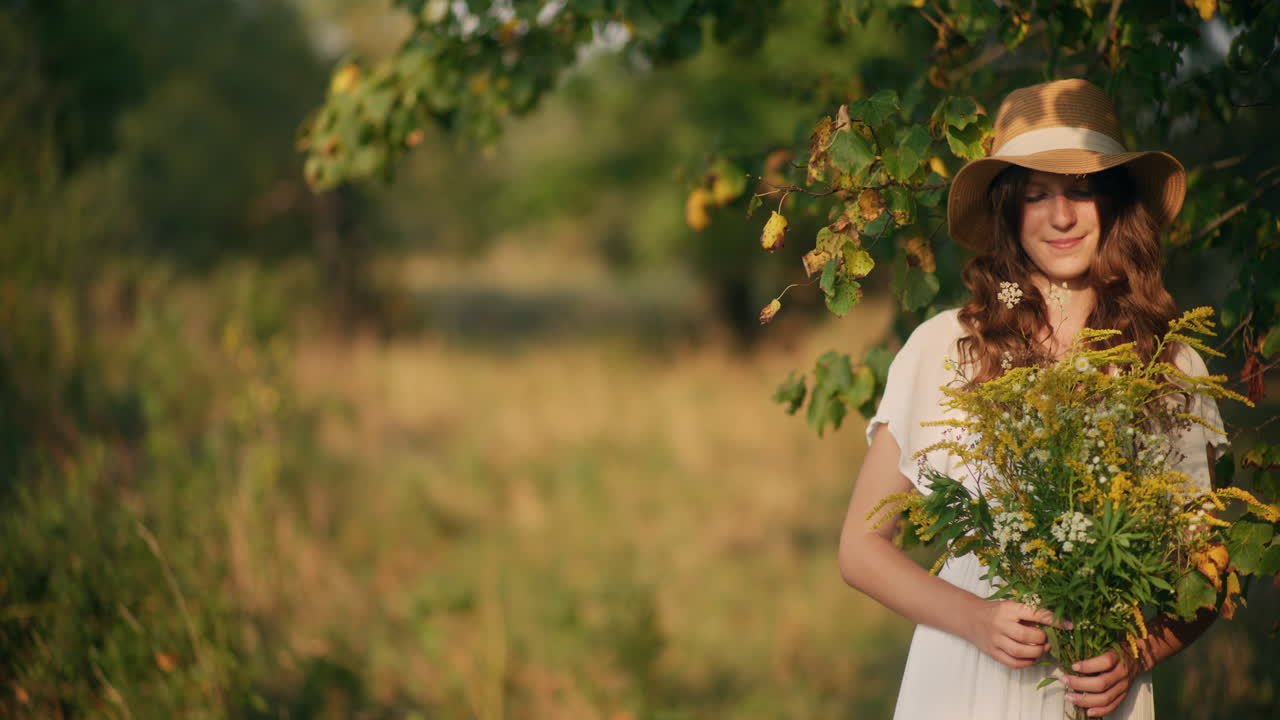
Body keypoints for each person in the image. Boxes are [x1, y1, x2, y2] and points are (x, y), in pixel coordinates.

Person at [837, 79, 1226, 719]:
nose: (1062, 216)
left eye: (1081, 190)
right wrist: (976, 618)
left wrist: (1139, 654)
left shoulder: (1170, 364)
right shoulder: (946, 346)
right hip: (962, 677)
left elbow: (1208, 571)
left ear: (1115, 205)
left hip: (1098, 691)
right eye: (1037, 195)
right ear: (1010, 213)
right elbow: (860, 547)